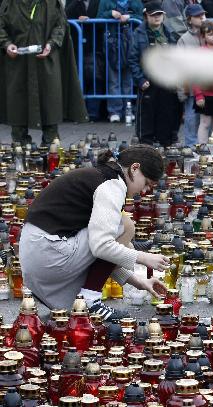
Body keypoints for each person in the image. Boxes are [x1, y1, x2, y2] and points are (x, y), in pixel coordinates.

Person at [19, 145, 171, 320]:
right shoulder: (112, 185)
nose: (144, 192)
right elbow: (101, 247)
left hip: (39, 257)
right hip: (48, 257)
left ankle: (88, 298)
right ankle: (90, 301)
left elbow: (102, 253)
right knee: (125, 227)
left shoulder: (102, 176)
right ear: (135, 168)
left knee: (120, 238)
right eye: (146, 184)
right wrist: (144, 258)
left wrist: (139, 282)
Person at [0, 0, 88, 145]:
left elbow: (60, 25)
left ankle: (50, 150)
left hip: (46, 64)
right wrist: (7, 44)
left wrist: (51, 43)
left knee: (50, 108)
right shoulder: (9, 3)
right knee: (18, 113)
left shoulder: (52, 3)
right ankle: (20, 150)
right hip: (18, 65)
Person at [128, 1, 182, 146]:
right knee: (146, 118)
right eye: (154, 15)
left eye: (159, 14)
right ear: (146, 16)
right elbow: (132, 59)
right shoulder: (138, 33)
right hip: (148, 82)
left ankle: (165, 146)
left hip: (166, 81)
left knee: (166, 115)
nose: (157, 17)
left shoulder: (169, 33)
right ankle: (145, 147)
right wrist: (140, 80)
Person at [97, 0, 144, 123]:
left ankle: (127, 110)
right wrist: (110, 13)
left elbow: (143, 17)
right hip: (111, 42)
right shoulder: (104, 2)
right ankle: (114, 111)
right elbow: (98, 19)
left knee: (128, 79)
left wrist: (130, 17)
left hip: (131, 42)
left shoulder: (136, 2)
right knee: (113, 79)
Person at [177, 3, 206, 146]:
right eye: (198, 16)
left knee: (208, 122)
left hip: (208, 87)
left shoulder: (210, 35)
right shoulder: (184, 40)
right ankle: (190, 149)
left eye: (203, 15)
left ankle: (207, 149)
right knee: (191, 121)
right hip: (191, 89)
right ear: (189, 19)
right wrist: (182, 92)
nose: (202, 18)